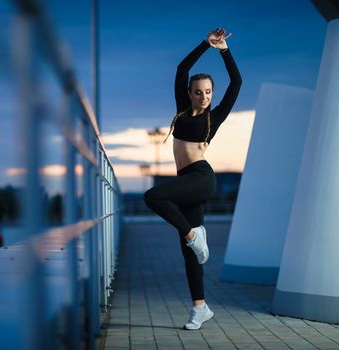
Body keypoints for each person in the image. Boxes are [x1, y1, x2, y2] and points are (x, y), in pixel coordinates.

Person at [143, 27, 242, 330]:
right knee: (191, 254)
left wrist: (224, 51)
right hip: (186, 179)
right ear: (189, 92)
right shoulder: (182, 109)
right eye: (198, 91)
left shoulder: (217, 116)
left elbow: (236, 82)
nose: (203, 96)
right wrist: (204, 44)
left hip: (201, 177)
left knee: (153, 197)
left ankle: (192, 234)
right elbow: (181, 68)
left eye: (208, 92)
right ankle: (200, 308)